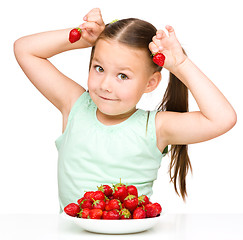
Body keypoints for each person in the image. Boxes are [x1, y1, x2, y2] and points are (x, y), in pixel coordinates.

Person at [14, 8, 237, 212]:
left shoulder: (155, 127)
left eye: (123, 76)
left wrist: (180, 64)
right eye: (99, 68)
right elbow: (25, 49)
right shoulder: (75, 105)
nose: (105, 85)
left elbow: (222, 119)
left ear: (150, 83)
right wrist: (82, 37)